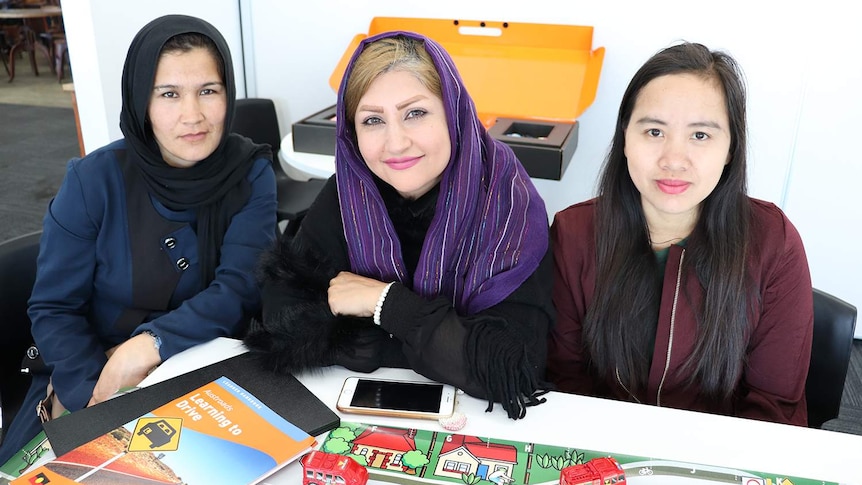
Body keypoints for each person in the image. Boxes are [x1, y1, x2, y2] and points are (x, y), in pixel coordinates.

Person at [0, 14, 276, 464]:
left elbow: (239, 288)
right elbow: (54, 309)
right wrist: (98, 392)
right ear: (140, 100)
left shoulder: (250, 170)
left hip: (201, 367)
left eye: (209, 90)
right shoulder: (94, 181)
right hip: (89, 368)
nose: (193, 115)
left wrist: (149, 345)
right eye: (168, 94)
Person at [244, 31, 554, 419]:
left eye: (415, 113)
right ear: (352, 135)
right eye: (373, 120)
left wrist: (384, 305)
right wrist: (435, 340)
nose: (396, 142)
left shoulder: (509, 206)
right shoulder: (349, 195)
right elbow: (281, 314)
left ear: (453, 115)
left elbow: (512, 367)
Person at [547, 42, 813, 426]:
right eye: (654, 131)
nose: (673, 159)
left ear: (730, 148)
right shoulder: (573, 234)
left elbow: (774, 408)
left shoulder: (774, 244)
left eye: (700, 136)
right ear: (625, 138)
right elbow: (563, 380)